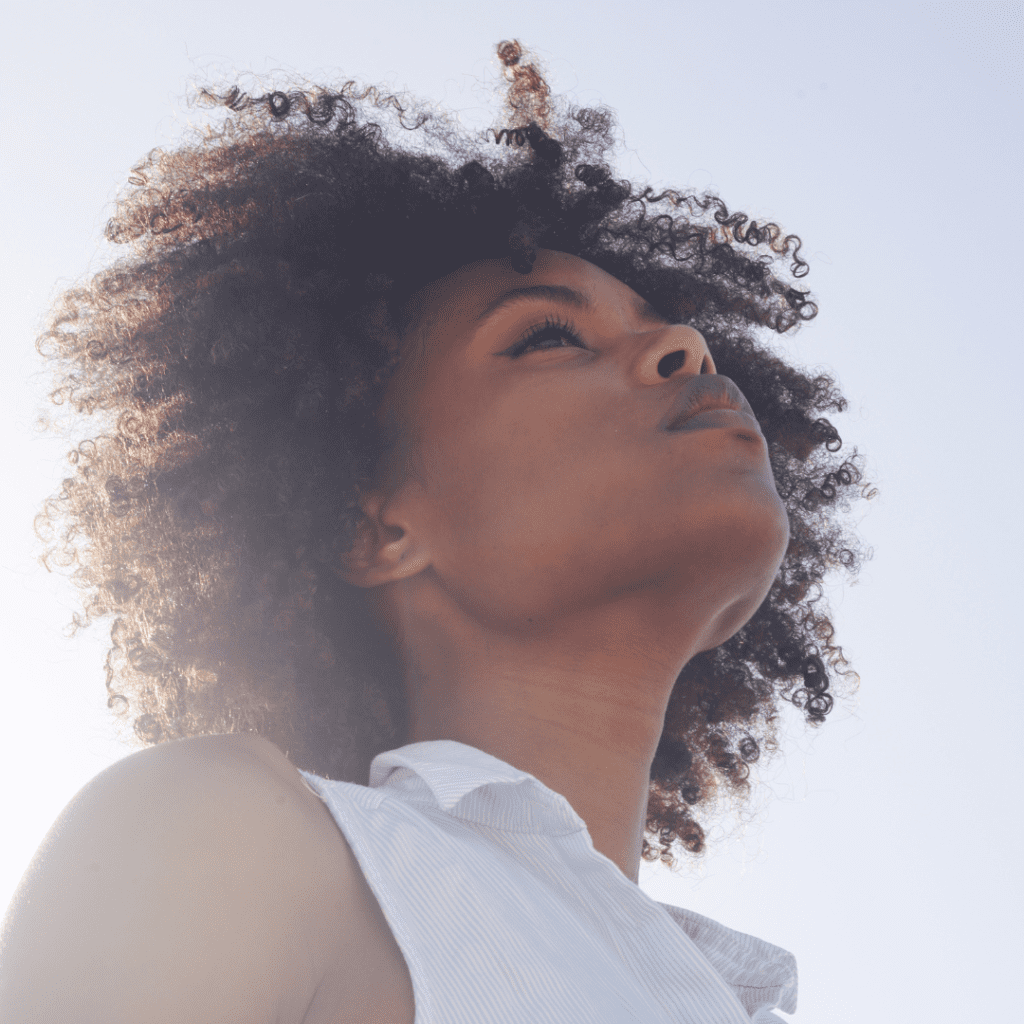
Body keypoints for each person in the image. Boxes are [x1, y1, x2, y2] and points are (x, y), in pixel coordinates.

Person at [1, 40, 872, 1024]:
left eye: (670, 328)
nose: (682, 347)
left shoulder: (734, 998)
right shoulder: (235, 837)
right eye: (548, 335)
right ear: (377, 524)